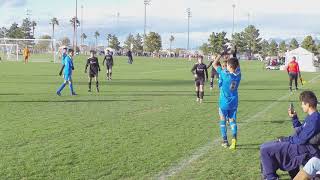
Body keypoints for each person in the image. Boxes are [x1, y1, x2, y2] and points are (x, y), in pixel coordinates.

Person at [260, 91, 320, 180]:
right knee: (267, 147)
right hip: (301, 146)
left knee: (265, 149)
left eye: (302, 104)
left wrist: (285, 139)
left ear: (307, 104)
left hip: (304, 148)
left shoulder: (314, 119)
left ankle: (270, 177)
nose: (301, 106)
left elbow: (301, 139)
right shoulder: (312, 117)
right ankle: (272, 175)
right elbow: (301, 131)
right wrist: (294, 118)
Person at [212, 52, 241, 150]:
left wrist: (220, 54)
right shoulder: (238, 75)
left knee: (222, 120)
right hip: (234, 102)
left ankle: (225, 141)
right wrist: (234, 56)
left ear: (229, 66)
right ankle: (234, 139)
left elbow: (214, 64)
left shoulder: (224, 74)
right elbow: (237, 65)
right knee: (232, 120)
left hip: (224, 102)